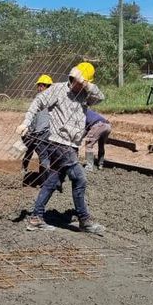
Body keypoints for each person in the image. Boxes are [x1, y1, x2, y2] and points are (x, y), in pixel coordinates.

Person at [17, 62, 105, 234]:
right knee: (80, 179)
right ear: (71, 78)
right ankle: (84, 220)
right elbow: (38, 102)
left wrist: (86, 84)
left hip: (71, 145)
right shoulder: (57, 90)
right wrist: (26, 123)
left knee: (52, 181)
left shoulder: (84, 94)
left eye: (82, 82)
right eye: (76, 81)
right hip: (59, 143)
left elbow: (100, 97)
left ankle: (35, 218)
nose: (77, 85)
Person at [21, 74, 54, 183]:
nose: (39, 88)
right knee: (35, 152)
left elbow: (39, 119)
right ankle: (25, 168)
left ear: (48, 86)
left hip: (42, 133)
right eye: (39, 85)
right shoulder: (49, 99)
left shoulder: (46, 100)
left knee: (43, 156)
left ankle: (44, 180)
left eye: (42, 85)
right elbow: (33, 116)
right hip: (38, 132)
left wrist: (30, 131)